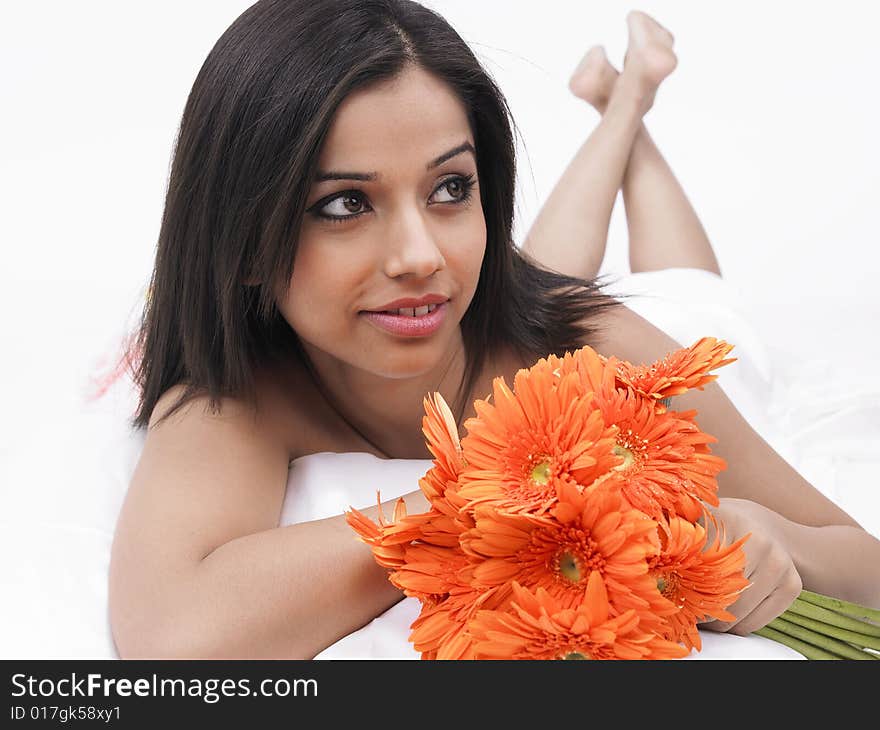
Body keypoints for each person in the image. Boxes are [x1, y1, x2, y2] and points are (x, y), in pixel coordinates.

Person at [107, 0, 880, 659]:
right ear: (239, 242)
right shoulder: (244, 388)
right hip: (514, 307)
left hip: (677, 329)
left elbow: (865, 562)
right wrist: (491, 498)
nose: (419, 255)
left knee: (686, 286)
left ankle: (630, 107)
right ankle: (626, 100)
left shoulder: (610, 352)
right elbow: (170, 633)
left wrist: (775, 537)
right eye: (346, 203)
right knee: (533, 273)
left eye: (453, 186)